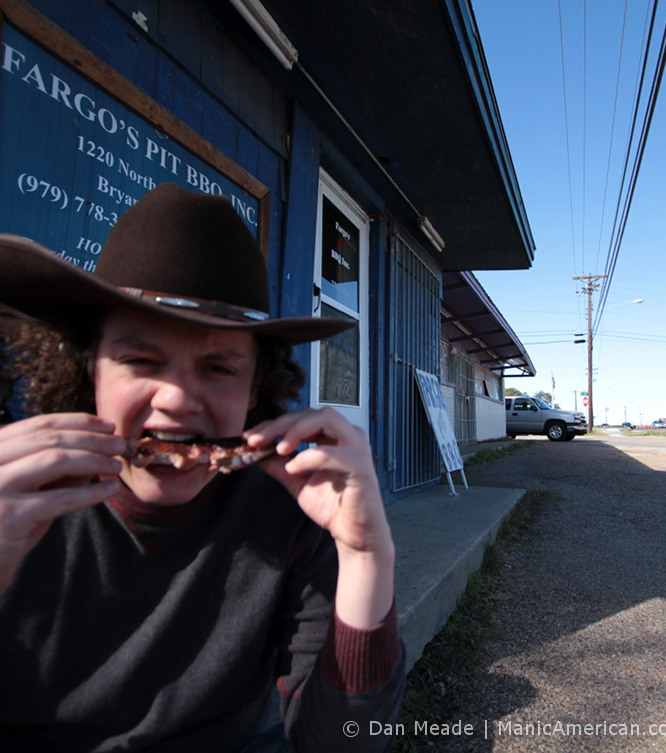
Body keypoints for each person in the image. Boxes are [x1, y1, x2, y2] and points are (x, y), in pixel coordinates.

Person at [0, 183, 404, 752]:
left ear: (255, 389)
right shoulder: (12, 502)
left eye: (218, 367)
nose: (178, 399)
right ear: (88, 371)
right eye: (141, 359)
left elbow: (345, 745)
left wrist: (367, 557)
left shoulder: (293, 515)